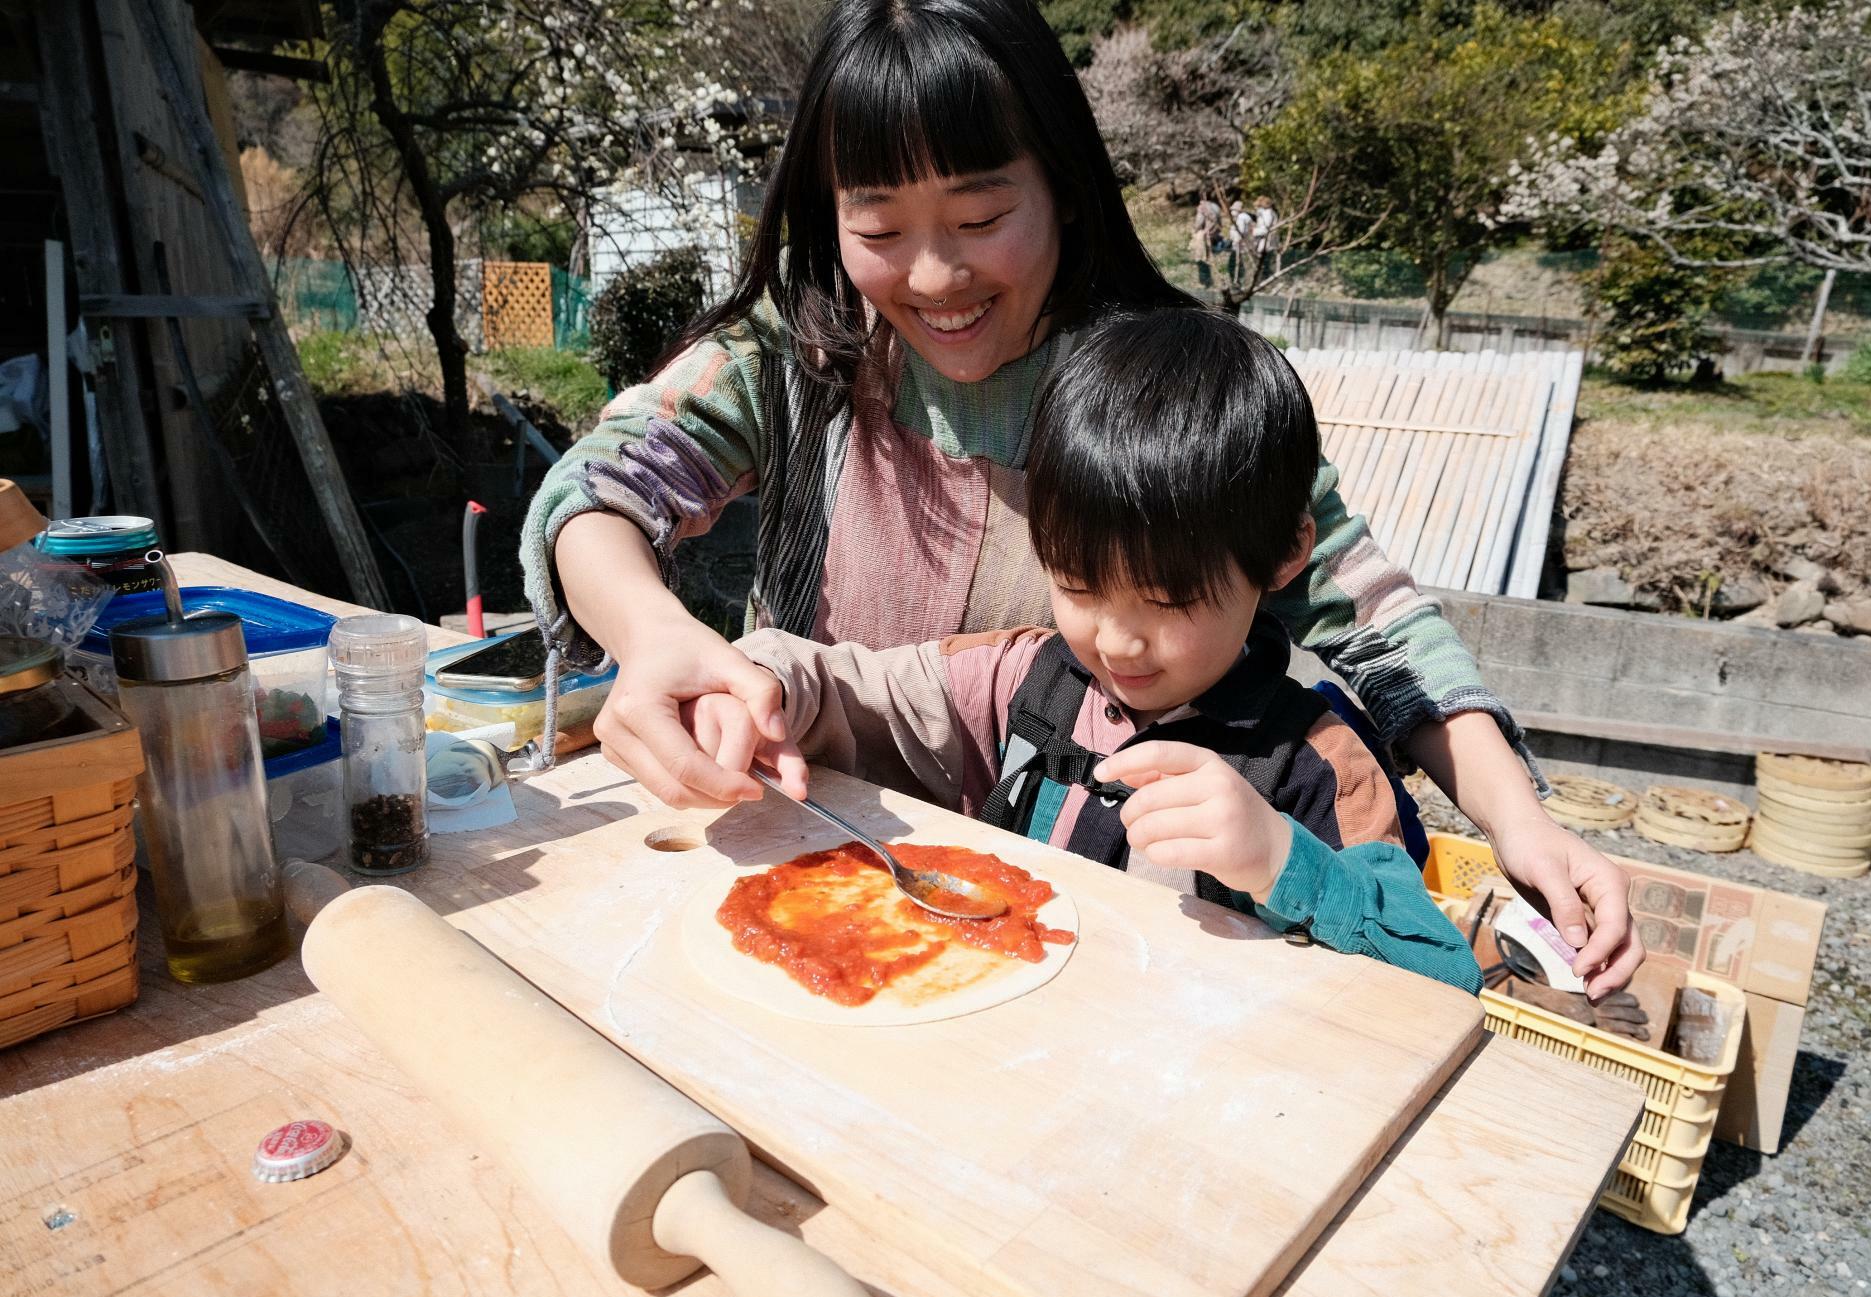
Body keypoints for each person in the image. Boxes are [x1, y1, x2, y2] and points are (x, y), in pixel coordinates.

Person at [521, 0, 1642, 1000]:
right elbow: (603, 484)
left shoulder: (1148, 393)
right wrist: (658, 636)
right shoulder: (797, 348)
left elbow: (1375, 618)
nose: (931, 277)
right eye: (877, 229)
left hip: (1071, 938)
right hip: (826, 874)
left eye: (976, 219)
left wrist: (1519, 822)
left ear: (1061, 177)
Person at [685, 311, 1482, 994]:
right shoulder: (1023, 679)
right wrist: (757, 686)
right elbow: (855, 689)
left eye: (1169, 603)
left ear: (1282, 556)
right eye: (1078, 585)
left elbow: (1444, 976)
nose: (1117, 640)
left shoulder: (1317, 767)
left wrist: (1281, 859)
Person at [1190, 194, 1222, 288]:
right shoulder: (1215, 206)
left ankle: (1205, 282)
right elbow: (1219, 221)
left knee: (1201, 258)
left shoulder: (1202, 207)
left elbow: (1199, 222)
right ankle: (1210, 281)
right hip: (1214, 234)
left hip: (1203, 236)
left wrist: (1194, 230)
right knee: (1208, 257)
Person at [1253, 195, 1278, 282]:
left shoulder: (1268, 213)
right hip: (1266, 241)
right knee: (1264, 263)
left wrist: (1253, 232)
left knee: (1264, 263)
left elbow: (1265, 229)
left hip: (1266, 241)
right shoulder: (1268, 213)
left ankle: (1263, 280)